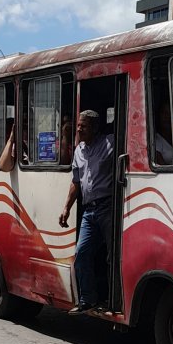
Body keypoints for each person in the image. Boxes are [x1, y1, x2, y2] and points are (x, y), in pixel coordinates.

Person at [59, 110, 114, 314]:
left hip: (108, 207)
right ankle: (88, 299)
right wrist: (67, 207)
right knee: (81, 254)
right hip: (89, 211)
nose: (79, 129)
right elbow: (76, 182)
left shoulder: (109, 143)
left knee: (113, 256)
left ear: (95, 129)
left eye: (84, 126)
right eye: (79, 125)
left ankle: (113, 300)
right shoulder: (78, 151)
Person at [155, 100, 173, 164]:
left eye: (169, 113)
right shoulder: (157, 140)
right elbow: (162, 166)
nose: (166, 116)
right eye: (163, 113)